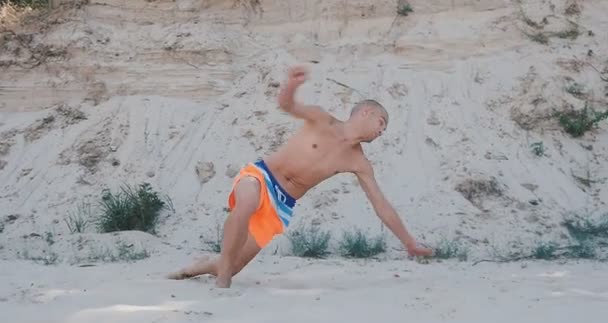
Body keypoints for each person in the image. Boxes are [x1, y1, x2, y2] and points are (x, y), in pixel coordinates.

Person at [167, 65, 433, 288]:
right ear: (366, 113)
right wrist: (292, 85)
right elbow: (287, 104)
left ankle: (198, 268)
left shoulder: (359, 162)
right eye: (382, 123)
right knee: (245, 205)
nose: (382, 131)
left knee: (233, 264)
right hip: (262, 176)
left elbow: (381, 206)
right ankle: (222, 283)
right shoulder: (322, 120)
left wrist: (409, 242)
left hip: (281, 205)